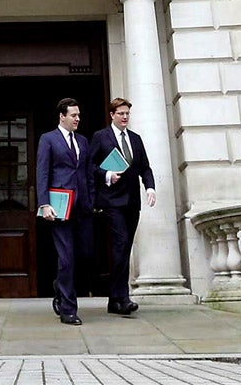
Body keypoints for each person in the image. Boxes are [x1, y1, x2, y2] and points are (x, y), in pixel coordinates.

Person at [89, 97, 155, 316]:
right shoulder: (101, 137)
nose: (125, 117)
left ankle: (114, 300)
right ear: (112, 115)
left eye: (127, 113)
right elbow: (90, 166)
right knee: (121, 243)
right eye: (121, 113)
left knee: (124, 248)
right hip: (111, 201)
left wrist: (150, 188)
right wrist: (107, 175)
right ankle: (123, 298)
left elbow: (145, 167)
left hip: (132, 201)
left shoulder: (135, 139)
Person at [36, 97, 94, 325]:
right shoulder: (48, 139)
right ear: (62, 116)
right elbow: (42, 172)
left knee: (83, 256)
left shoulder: (83, 141)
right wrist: (44, 203)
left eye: (79, 115)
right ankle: (68, 309)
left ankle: (60, 286)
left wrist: (91, 200)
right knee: (66, 257)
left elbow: (88, 172)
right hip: (59, 206)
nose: (78, 119)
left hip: (82, 207)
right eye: (73, 115)